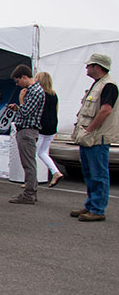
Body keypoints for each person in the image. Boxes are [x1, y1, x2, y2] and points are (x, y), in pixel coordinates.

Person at [70, 54, 118, 221]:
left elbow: (106, 110)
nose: (86, 68)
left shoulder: (109, 86)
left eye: (89, 65)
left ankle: (97, 209)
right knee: (89, 173)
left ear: (97, 66)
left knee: (98, 174)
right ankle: (91, 205)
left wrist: (89, 130)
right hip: (89, 137)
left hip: (97, 138)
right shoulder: (97, 84)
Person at [8, 64, 45, 204]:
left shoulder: (35, 91)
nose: (17, 85)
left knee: (28, 163)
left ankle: (29, 193)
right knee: (28, 162)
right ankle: (30, 191)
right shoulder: (34, 91)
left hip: (27, 130)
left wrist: (21, 100)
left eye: (18, 81)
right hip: (26, 130)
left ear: (24, 77)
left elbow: (25, 112)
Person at [35, 71, 62, 187]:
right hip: (52, 127)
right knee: (42, 152)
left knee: (32, 154)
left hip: (42, 127)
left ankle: (31, 180)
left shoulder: (40, 95)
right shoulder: (54, 95)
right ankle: (55, 171)